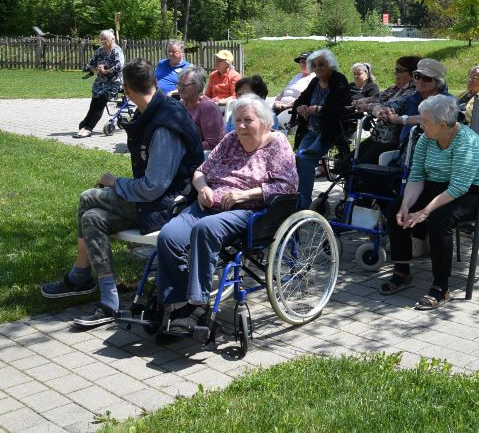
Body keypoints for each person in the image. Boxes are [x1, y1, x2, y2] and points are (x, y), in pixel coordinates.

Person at [42, 59, 204, 328]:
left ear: (126, 91)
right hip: (153, 200)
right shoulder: (151, 113)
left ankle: (81, 275)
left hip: (169, 206)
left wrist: (116, 182)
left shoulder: (165, 124)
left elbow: (154, 186)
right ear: (153, 82)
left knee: (88, 197)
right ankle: (109, 300)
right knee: (92, 218)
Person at [155, 94, 298, 332]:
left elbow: (288, 186)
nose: (240, 126)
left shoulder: (277, 143)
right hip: (208, 204)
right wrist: (203, 188)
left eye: (247, 120)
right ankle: (176, 299)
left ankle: (197, 301)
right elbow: (201, 171)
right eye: (237, 120)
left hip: (247, 211)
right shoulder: (231, 140)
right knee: (168, 236)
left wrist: (246, 195)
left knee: (204, 229)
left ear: (265, 122)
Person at [379, 95, 479, 310]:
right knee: (396, 208)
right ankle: (402, 271)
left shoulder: (467, 141)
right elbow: (416, 177)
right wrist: (407, 205)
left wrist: (425, 211)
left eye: (425, 121)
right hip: (442, 188)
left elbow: (459, 187)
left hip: (478, 193)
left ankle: (441, 287)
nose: (421, 124)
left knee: (439, 219)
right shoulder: (426, 138)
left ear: (443, 125)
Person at [292, 49, 352, 209]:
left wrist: (316, 109)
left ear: (330, 65)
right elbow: (299, 101)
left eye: (321, 65)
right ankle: (298, 200)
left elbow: (337, 108)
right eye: (315, 65)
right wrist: (301, 108)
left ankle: (302, 205)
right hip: (310, 130)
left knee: (305, 159)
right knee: (298, 159)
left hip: (329, 132)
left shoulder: (339, 80)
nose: (317, 68)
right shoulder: (314, 82)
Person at [352, 55, 420, 164]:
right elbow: (379, 97)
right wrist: (363, 100)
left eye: (399, 70)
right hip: (378, 137)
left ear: (412, 74)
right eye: (396, 69)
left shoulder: (412, 92)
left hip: (391, 141)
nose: (395, 73)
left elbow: (390, 106)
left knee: (360, 167)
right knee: (349, 162)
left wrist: (369, 106)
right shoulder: (396, 88)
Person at [377, 58, 453, 153]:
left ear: (438, 82)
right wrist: (385, 112)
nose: (420, 81)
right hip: (404, 154)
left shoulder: (447, 100)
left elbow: (430, 118)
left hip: (431, 157)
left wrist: (399, 119)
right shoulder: (413, 98)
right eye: (417, 76)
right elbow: (388, 106)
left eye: (426, 78)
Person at [75, 30, 124, 138]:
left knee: (100, 101)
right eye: (101, 39)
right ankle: (85, 124)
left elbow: (120, 66)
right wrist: (97, 70)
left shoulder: (117, 51)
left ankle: (88, 128)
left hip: (113, 82)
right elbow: (90, 64)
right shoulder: (100, 50)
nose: (102, 41)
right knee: (94, 102)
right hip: (100, 81)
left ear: (112, 39)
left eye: (104, 39)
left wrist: (106, 71)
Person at [178, 66, 224, 151]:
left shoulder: (208, 108)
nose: (180, 88)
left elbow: (212, 144)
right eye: (179, 84)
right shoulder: (182, 104)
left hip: (203, 157)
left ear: (198, 86)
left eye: (185, 85)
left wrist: (182, 148)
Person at [272, 52, 315, 125]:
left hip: (292, 109)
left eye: (305, 62)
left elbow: (305, 98)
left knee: (270, 121)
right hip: (280, 106)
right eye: (301, 62)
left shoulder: (313, 78)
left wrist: (288, 105)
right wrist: (277, 101)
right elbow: (284, 91)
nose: (302, 64)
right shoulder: (297, 76)